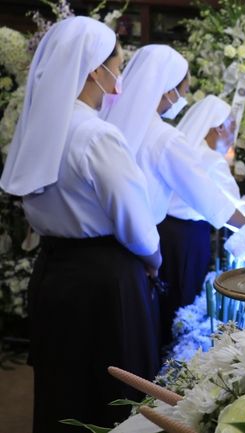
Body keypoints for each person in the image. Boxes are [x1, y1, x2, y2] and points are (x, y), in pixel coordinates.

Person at [0, 17, 161, 432]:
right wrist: (153, 258)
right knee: (115, 393)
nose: (119, 77)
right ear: (95, 69)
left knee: (63, 386)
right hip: (107, 279)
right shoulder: (95, 135)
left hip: (54, 273)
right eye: (118, 66)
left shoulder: (38, 128)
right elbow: (134, 219)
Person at [101, 45, 245, 349]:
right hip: (143, 247)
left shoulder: (111, 122)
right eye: (181, 91)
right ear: (165, 89)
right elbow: (210, 198)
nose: (182, 100)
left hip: (107, 249)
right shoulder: (164, 138)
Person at [158, 95, 245, 346]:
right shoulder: (210, 159)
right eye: (232, 125)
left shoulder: (189, 151)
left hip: (166, 233)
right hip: (187, 238)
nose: (234, 133)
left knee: (166, 301)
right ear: (219, 127)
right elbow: (229, 207)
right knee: (183, 301)